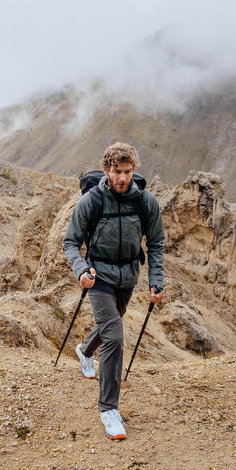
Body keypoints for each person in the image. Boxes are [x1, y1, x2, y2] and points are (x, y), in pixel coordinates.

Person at [63, 142, 165, 440]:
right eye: (116, 171)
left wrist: (155, 281)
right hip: (99, 277)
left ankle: (84, 350)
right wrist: (81, 269)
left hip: (128, 277)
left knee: (112, 322)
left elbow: (156, 244)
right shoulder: (91, 202)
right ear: (106, 170)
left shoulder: (145, 202)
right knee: (115, 336)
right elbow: (70, 242)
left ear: (134, 170)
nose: (122, 178)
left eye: (127, 171)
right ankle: (109, 409)